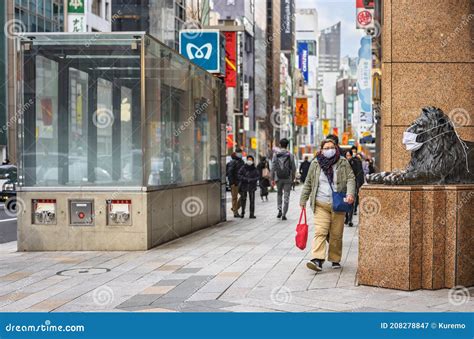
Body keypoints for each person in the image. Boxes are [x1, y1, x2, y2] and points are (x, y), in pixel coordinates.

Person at [300, 139, 356, 272]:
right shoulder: (315, 163)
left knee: (336, 234)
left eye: (331, 147)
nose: (329, 150)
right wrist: (303, 200)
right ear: (321, 149)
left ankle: (335, 258)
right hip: (320, 203)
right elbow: (308, 182)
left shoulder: (342, 162)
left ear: (336, 148)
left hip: (338, 204)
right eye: (326, 148)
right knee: (320, 231)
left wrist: (350, 194)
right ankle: (317, 259)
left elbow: (350, 178)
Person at [271, 138, 296, 221]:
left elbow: (273, 167)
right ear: (287, 145)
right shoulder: (290, 155)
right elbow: (293, 168)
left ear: (280, 145)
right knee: (286, 195)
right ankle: (284, 214)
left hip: (278, 177)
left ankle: (280, 209)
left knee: (279, 194)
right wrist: (293, 177)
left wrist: (272, 178)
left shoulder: (276, 155)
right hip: (288, 178)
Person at [344, 150, 365, 226]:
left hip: (353, 184)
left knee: (351, 201)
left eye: (349, 155)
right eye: (347, 155)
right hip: (344, 185)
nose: (348, 157)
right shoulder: (342, 163)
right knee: (345, 201)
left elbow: (359, 173)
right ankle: (346, 217)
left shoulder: (355, 162)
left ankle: (350, 219)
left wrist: (359, 184)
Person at [226, 148, 244, 217]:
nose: (240, 154)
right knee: (234, 197)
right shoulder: (233, 162)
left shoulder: (242, 161)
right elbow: (230, 173)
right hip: (235, 183)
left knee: (243, 196)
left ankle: (235, 208)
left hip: (241, 182)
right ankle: (235, 212)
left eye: (241, 152)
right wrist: (232, 183)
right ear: (236, 153)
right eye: (239, 152)